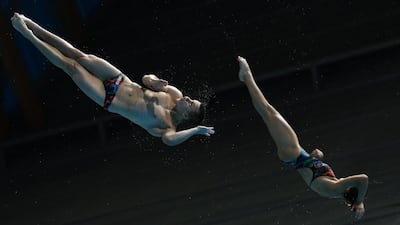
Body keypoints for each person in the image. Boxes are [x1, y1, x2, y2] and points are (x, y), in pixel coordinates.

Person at [10, 12, 214, 146]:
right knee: (77, 54)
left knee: (70, 66)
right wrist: (153, 81)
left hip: (107, 98)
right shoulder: (174, 93)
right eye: (191, 98)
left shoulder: (167, 127)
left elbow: (170, 141)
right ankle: (31, 23)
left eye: (190, 103)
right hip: (120, 80)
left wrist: (195, 131)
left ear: (187, 116)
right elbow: (146, 78)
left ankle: (27, 34)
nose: (187, 98)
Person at [237, 56, 368, 220]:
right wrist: (317, 157)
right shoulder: (332, 185)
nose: (345, 179)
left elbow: (363, 179)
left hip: (294, 153)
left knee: (267, 111)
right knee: (267, 113)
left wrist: (360, 202)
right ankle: (246, 78)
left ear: (349, 189)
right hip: (293, 155)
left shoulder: (337, 188)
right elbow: (311, 170)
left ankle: (247, 76)